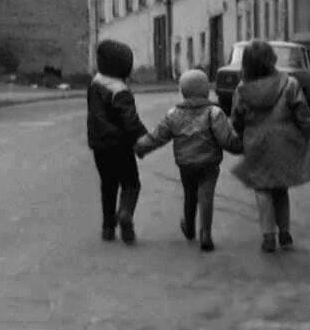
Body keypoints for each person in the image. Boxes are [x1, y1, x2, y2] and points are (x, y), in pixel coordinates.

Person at [230, 40, 310, 252]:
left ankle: (268, 236)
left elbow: (237, 119)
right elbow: (302, 113)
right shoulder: (289, 84)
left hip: (256, 144)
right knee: (281, 188)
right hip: (285, 142)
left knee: (262, 190)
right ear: (272, 59)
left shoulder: (242, 90)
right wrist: (307, 133)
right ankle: (285, 232)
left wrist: (239, 134)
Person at [135, 69, 243, 252]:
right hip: (209, 163)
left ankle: (190, 227)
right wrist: (241, 145)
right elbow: (227, 140)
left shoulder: (174, 114)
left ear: (183, 91)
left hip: (186, 164)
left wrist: (141, 146)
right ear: (206, 90)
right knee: (206, 195)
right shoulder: (214, 113)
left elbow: (157, 136)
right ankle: (206, 233)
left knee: (190, 195)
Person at [86, 40, 148, 243]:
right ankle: (125, 213)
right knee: (131, 183)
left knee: (108, 184)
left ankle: (107, 228)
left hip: (99, 145)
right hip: (120, 146)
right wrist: (143, 137)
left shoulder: (95, 84)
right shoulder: (120, 90)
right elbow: (130, 121)